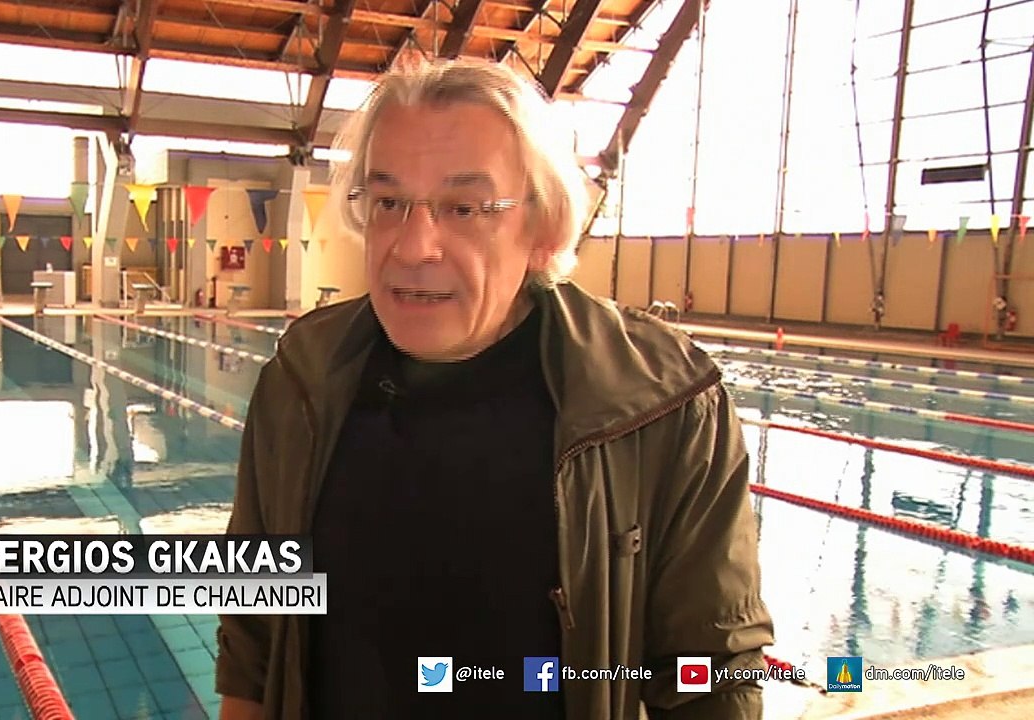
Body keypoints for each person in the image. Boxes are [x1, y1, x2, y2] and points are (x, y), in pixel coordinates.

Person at [216, 58, 774, 720]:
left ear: (543, 228)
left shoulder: (663, 404)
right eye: (389, 202)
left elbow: (712, 672)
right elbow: (254, 634)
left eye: (464, 208)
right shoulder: (301, 381)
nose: (413, 247)